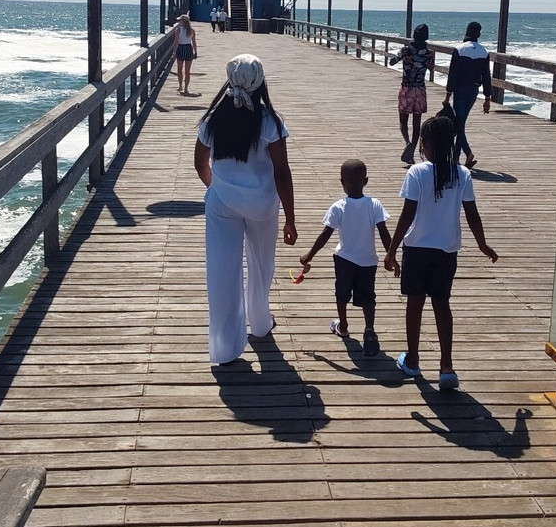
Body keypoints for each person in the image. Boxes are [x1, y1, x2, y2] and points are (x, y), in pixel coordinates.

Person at [195, 54, 297, 365]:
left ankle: (225, 348)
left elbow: (200, 163)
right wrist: (290, 219)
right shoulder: (269, 122)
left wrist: (218, 188)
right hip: (262, 205)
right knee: (261, 265)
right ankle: (261, 324)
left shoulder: (213, 119)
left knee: (222, 272)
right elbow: (282, 171)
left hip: (222, 203)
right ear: (260, 82)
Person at [384, 115, 498, 390]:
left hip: (417, 249)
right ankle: (447, 367)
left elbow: (406, 215)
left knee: (415, 303)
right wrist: (482, 244)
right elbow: (472, 215)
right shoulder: (462, 174)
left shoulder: (417, 173)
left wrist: (391, 251)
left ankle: (412, 360)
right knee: (441, 303)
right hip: (446, 251)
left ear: (424, 145)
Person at [298, 159, 391, 356]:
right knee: (368, 297)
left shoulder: (338, 207)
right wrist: (391, 255)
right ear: (365, 181)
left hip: (345, 259)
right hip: (368, 261)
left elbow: (325, 235)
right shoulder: (374, 205)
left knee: (342, 293)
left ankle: (344, 325)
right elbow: (384, 233)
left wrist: (309, 255)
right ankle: (369, 329)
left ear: (342, 182)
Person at [443, 21, 492, 169]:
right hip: (474, 90)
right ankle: (457, 158)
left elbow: (453, 74)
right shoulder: (484, 52)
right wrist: (488, 98)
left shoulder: (459, 50)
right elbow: (487, 77)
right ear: (479, 34)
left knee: (459, 124)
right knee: (460, 123)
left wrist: (447, 94)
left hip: (460, 89)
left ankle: (464, 154)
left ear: (466, 32)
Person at [394, 24, 434, 165]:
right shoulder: (429, 53)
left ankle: (407, 142)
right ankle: (412, 151)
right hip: (420, 90)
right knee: (417, 125)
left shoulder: (405, 50)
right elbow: (431, 68)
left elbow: (393, 61)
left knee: (403, 121)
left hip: (407, 89)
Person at [173, 14, 197, 95]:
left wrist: (174, 52)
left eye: (181, 20)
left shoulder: (179, 30)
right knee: (185, 71)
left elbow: (176, 42)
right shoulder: (191, 30)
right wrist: (195, 51)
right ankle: (183, 87)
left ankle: (183, 86)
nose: (179, 22)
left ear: (184, 21)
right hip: (188, 48)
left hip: (182, 48)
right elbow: (193, 42)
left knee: (182, 70)